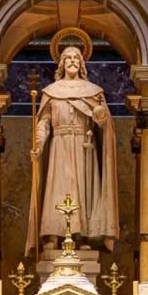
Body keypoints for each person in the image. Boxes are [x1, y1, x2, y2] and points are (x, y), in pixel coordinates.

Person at [31, 44, 118, 249]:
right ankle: (53, 235)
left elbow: (104, 125)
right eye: (68, 58)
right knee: (57, 188)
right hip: (59, 146)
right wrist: (38, 144)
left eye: (76, 58)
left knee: (82, 188)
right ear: (61, 64)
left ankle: (80, 235)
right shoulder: (51, 92)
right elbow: (43, 123)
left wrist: (100, 114)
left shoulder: (93, 92)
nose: (72, 61)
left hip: (83, 146)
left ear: (82, 64)